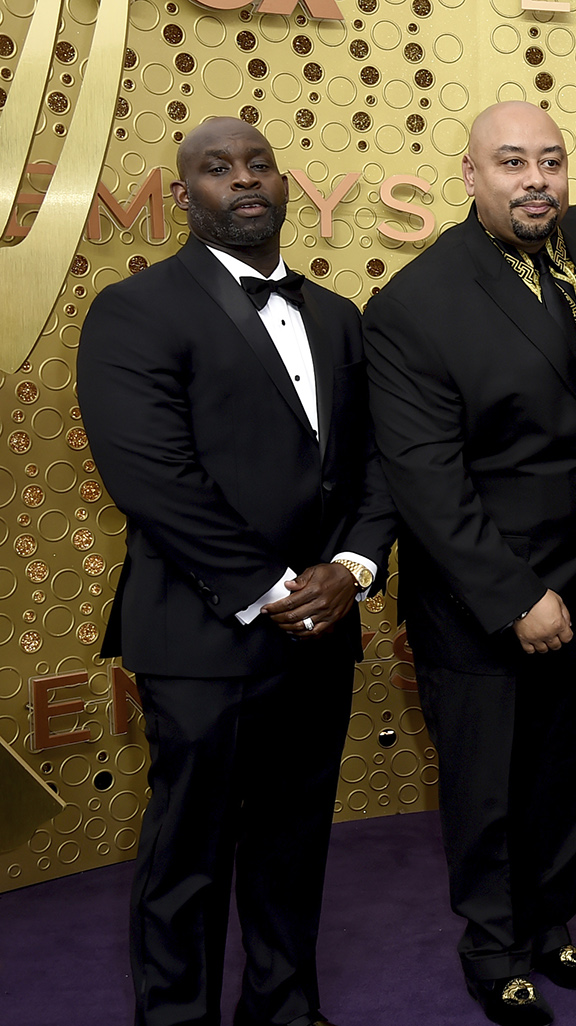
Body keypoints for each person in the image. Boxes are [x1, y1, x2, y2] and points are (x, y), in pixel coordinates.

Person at [78, 117, 394, 1026]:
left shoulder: (337, 315)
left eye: (258, 164)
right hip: (201, 633)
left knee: (293, 844)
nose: (243, 180)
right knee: (191, 854)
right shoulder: (135, 310)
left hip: (324, 626)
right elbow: (151, 477)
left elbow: (377, 464)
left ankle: (285, 1010)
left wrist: (351, 566)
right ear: (187, 195)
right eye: (218, 170)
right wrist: (270, 589)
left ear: (284, 184)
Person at [363, 101, 576, 1026]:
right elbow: (425, 477)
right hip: (485, 593)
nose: (536, 179)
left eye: (551, 161)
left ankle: (550, 925)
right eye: (512, 162)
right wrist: (517, 596)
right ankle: (493, 952)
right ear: (468, 176)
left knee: (568, 775)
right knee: (486, 788)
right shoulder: (413, 303)